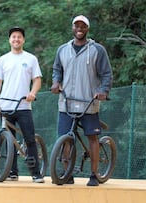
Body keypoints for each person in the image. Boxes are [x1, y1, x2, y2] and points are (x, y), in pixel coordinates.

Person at [50, 15, 113, 186]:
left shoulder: (97, 50)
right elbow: (57, 70)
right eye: (76, 26)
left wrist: (102, 91)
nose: (79, 28)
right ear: (72, 28)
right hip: (66, 102)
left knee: (92, 137)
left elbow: (106, 74)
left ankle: (94, 173)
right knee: (65, 138)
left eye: (83, 26)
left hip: (88, 102)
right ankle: (67, 173)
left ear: (87, 28)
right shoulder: (62, 50)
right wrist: (56, 82)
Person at [0, 27, 44, 183]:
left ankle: (36, 173)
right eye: (13, 37)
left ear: (23, 40)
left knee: (29, 139)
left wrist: (33, 93)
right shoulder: (2, 60)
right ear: (9, 40)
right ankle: (12, 171)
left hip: (23, 106)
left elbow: (37, 80)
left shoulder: (31, 59)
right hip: (5, 106)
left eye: (19, 37)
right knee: (9, 139)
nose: (16, 39)